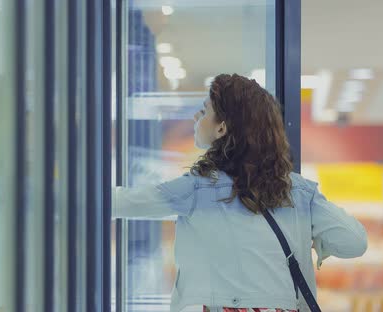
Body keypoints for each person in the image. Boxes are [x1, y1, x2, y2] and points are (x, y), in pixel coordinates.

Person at [112, 74, 368, 312]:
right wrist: (312, 238)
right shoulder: (297, 191)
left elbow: (123, 202)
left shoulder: (197, 188)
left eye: (203, 112)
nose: (195, 119)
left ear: (222, 128)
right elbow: (354, 241)